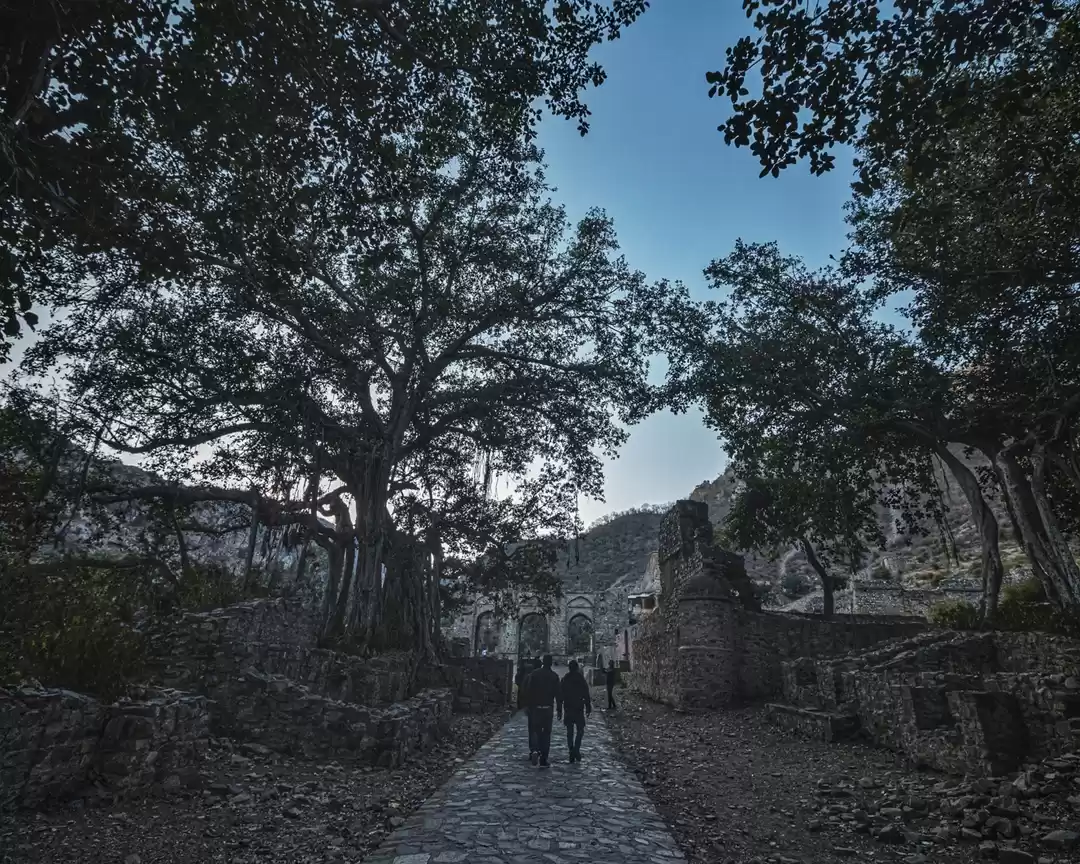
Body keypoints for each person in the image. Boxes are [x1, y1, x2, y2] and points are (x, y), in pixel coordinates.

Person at [523, 654, 560, 768]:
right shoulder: (554, 676)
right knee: (546, 734)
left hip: (536, 707)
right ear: (551, 663)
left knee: (535, 730)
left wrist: (527, 705)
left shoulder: (534, 674)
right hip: (548, 707)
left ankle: (535, 750)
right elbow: (558, 694)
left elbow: (528, 691)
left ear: (543, 662)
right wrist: (559, 709)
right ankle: (544, 758)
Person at [559, 660, 592, 763]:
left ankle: (571, 750)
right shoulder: (580, 678)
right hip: (578, 707)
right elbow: (586, 693)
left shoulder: (565, 679)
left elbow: (560, 695)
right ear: (577, 668)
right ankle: (576, 749)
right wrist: (588, 706)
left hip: (568, 707)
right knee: (580, 730)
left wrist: (559, 709)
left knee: (570, 731)